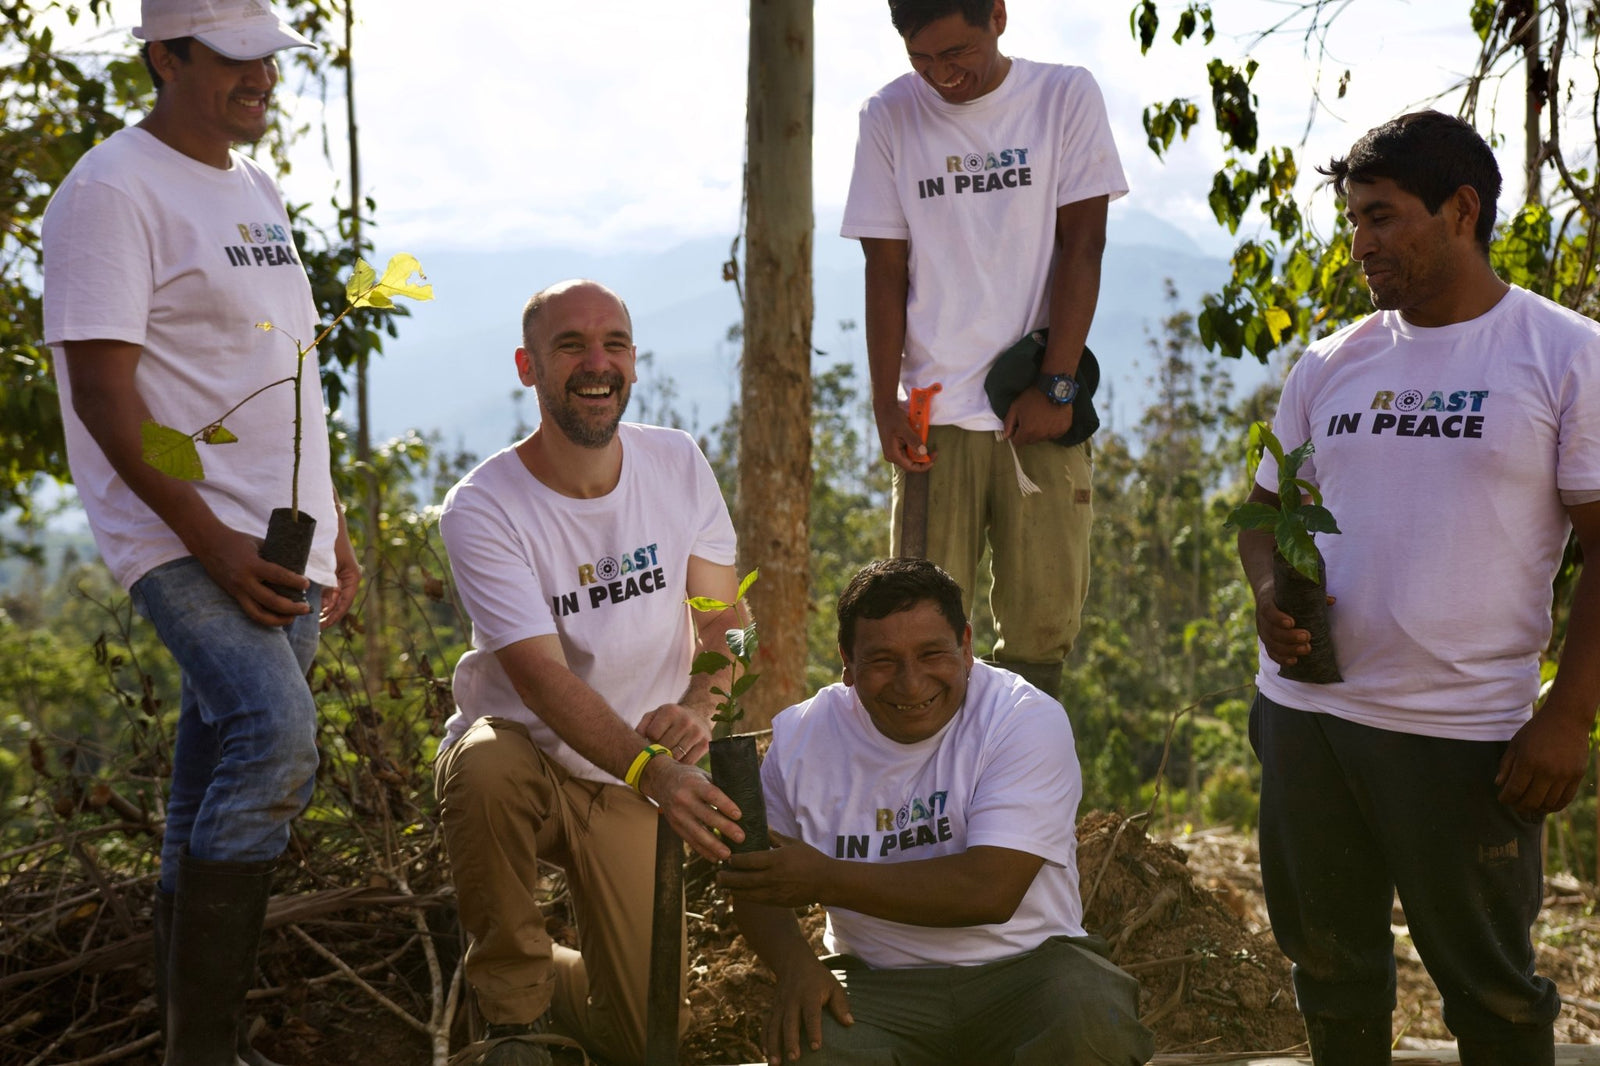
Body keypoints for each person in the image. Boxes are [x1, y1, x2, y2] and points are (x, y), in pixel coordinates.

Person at [1238, 110, 1600, 1066]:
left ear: (1461, 211)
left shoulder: (1566, 354)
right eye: (1353, 220)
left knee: (1493, 995)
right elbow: (1264, 511)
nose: (1359, 243)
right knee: (1331, 975)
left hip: (1463, 736)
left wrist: (1568, 716)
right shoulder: (1333, 360)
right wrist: (1270, 592)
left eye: (1382, 216)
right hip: (1308, 722)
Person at [41, 1, 360, 1063]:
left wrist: (334, 526)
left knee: (207, 778)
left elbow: (284, 372)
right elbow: (103, 394)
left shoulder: (254, 187)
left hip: (281, 538)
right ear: (165, 56)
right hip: (183, 535)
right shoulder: (110, 190)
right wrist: (211, 540)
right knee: (276, 738)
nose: (261, 76)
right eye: (232, 57)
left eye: (267, 56)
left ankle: (192, 1047)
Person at [435, 279, 748, 1066]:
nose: (596, 363)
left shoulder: (676, 463)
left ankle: (535, 973)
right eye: (570, 345)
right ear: (529, 367)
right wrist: (656, 772)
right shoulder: (485, 506)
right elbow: (541, 681)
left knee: (646, 1037)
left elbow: (728, 623)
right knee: (483, 764)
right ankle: (511, 1021)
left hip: (631, 778)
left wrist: (701, 705)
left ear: (633, 361)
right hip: (535, 765)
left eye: (614, 343)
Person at [720, 558, 1154, 1066]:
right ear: (847, 662)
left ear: (966, 646)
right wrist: (795, 964)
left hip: (1029, 973)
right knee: (813, 1048)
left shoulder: (1022, 718)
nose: (910, 683)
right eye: (882, 661)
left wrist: (823, 879)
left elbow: (989, 891)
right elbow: (754, 882)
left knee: (1091, 1020)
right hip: (875, 986)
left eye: (931, 654)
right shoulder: (801, 739)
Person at [841, 0, 1128, 698]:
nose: (942, 75)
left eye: (957, 54)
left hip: (1037, 404)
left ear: (997, 16)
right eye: (922, 59)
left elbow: (1083, 245)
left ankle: (1026, 767)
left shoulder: (1062, 95)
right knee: (918, 630)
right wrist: (883, 403)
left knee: (1040, 632)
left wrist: (1057, 385)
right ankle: (930, 769)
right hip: (933, 421)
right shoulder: (889, 115)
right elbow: (884, 269)